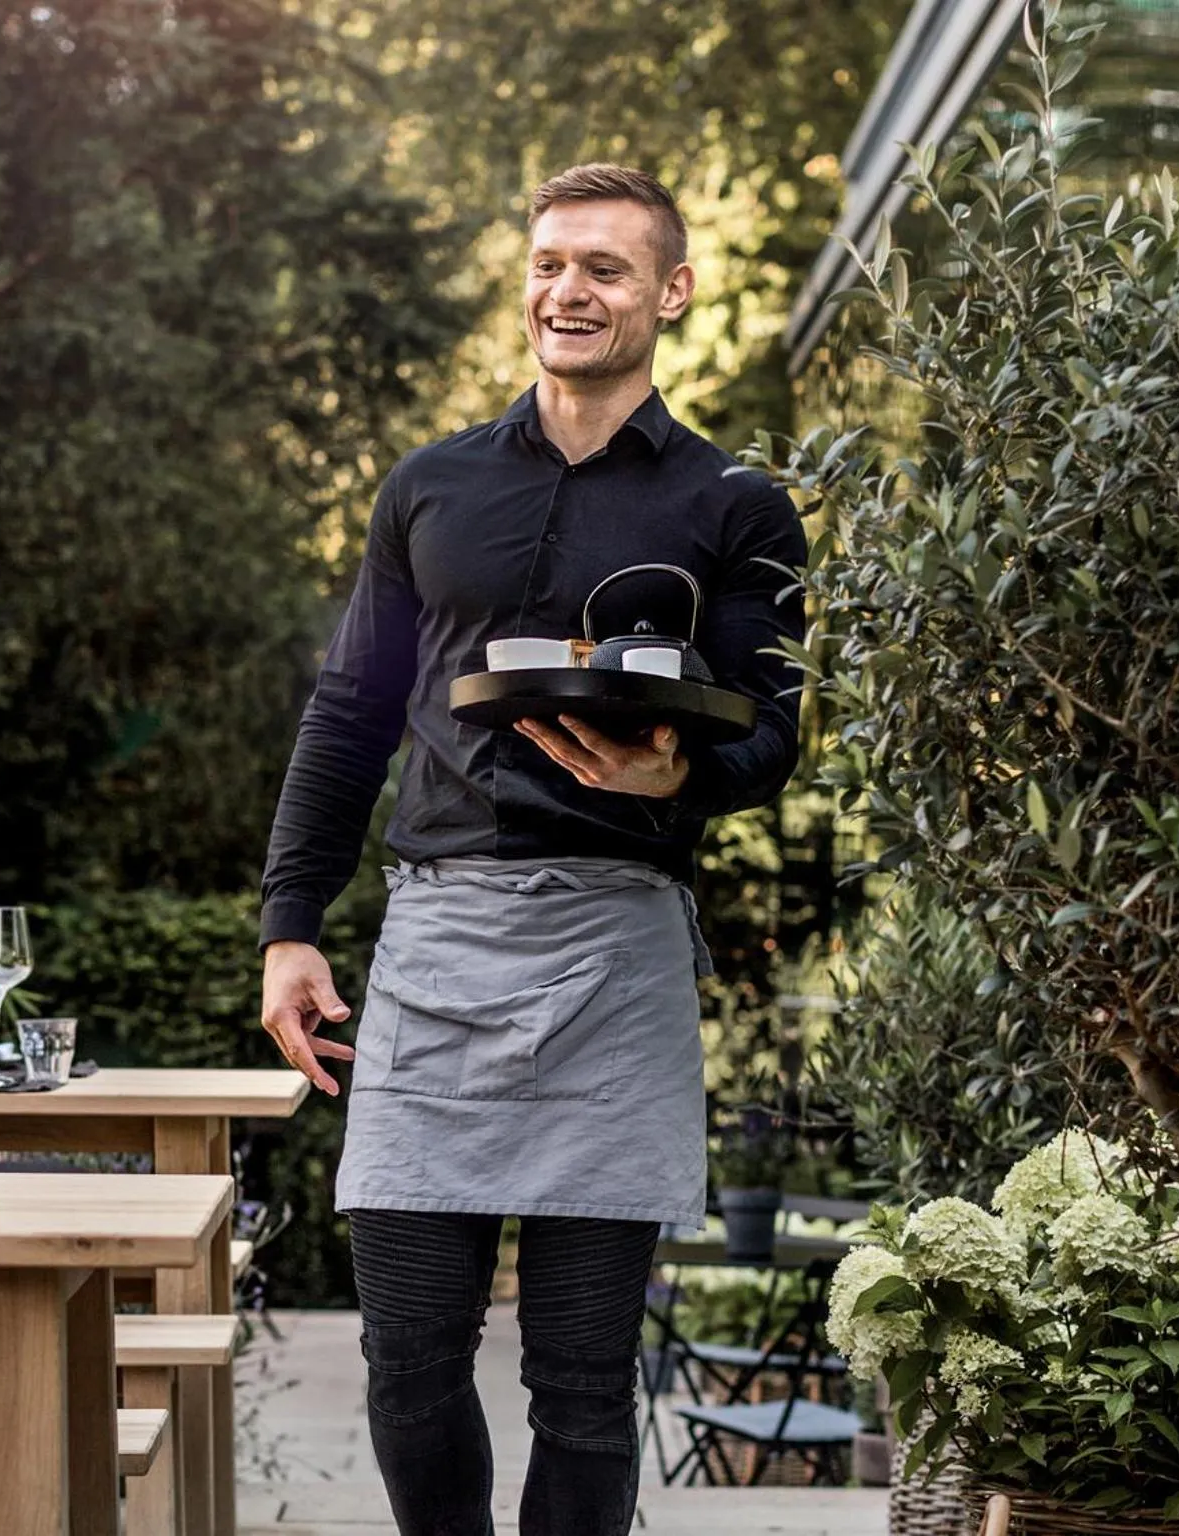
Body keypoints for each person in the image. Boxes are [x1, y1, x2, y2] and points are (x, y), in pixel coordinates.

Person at [257, 164, 808, 1536]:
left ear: (672, 293)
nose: (568, 290)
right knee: (410, 1359)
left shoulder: (738, 505)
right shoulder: (429, 487)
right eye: (551, 263)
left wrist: (672, 774)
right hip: (439, 933)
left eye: (606, 269)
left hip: (618, 947)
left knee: (581, 1381)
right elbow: (350, 713)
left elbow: (777, 735)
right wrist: (288, 923)